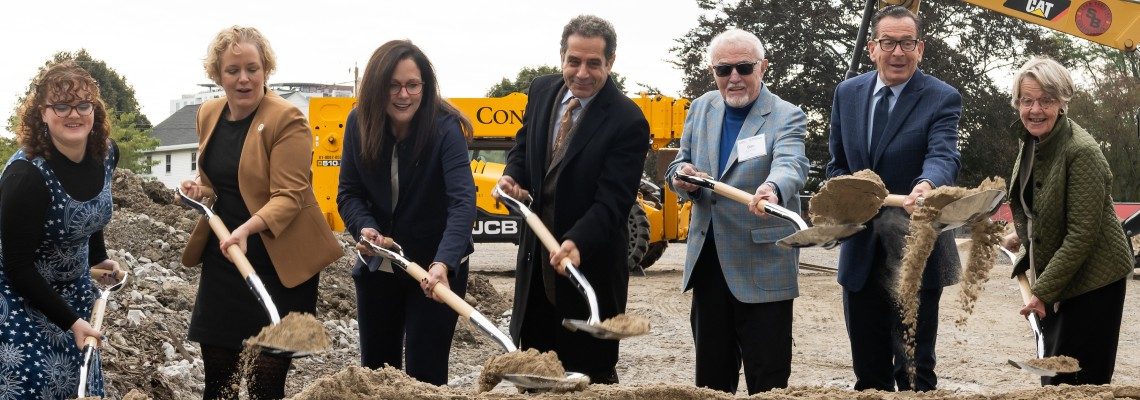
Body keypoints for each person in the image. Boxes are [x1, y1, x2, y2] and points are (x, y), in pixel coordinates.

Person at [180, 26, 342, 400]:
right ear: (217, 75)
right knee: (218, 381)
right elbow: (217, 184)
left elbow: (290, 195)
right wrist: (196, 191)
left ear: (266, 69)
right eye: (232, 70)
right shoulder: (209, 113)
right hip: (226, 258)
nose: (244, 78)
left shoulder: (288, 120)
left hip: (280, 263)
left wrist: (247, 229)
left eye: (252, 68)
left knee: (264, 385)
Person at [494, 14, 649, 384]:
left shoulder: (628, 121)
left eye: (594, 63)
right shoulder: (542, 90)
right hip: (536, 270)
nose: (582, 72)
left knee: (588, 378)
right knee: (536, 375)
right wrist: (512, 176)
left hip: (587, 270)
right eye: (574, 61)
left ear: (610, 63)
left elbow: (614, 200)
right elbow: (523, 144)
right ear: (561, 56)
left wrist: (578, 241)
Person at [824, 6, 962, 391]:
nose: (897, 52)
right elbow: (836, 165)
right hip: (861, 251)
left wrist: (927, 185)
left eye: (906, 43)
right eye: (888, 42)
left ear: (920, 47)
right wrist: (845, 193)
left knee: (915, 372)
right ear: (872, 48)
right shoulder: (847, 93)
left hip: (915, 251)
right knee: (869, 375)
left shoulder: (941, 97)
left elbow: (943, 154)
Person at [665, 29, 808, 394]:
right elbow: (679, 164)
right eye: (723, 69)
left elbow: (791, 164)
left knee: (769, 383)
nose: (733, 78)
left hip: (762, 265)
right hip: (709, 264)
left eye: (744, 68)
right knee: (711, 383)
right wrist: (682, 178)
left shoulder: (786, 115)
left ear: (763, 67)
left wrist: (773, 188)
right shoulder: (701, 108)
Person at [337, 40, 476, 385]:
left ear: (424, 87)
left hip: (435, 270)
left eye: (412, 85)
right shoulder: (358, 123)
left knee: (425, 376)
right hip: (382, 261)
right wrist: (366, 229)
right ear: (377, 87)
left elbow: (462, 202)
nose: (403, 95)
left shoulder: (445, 129)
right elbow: (349, 193)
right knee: (377, 376)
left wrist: (443, 263)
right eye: (393, 85)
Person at [1001, 56, 1132, 386]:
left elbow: (1081, 235)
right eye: (1027, 100)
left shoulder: (1081, 150)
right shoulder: (1033, 141)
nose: (1035, 109)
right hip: (1062, 277)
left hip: (1094, 281)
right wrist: (1023, 241)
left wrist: (1042, 292)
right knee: (1053, 370)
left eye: (1046, 100)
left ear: (1062, 102)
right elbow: (1038, 206)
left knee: (1076, 378)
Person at [0, 59, 121, 399]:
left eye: (84, 104)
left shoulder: (106, 154)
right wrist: (71, 321)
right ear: (42, 113)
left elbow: (90, 210)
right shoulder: (27, 178)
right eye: (62, 105)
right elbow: (17, 266)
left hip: (75, 291)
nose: (74, 114)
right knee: (33, 386)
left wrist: (99, 258)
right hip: (19, 297)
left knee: (78, 385)